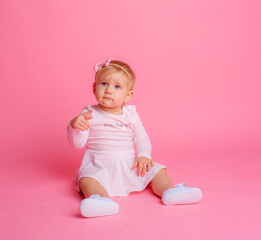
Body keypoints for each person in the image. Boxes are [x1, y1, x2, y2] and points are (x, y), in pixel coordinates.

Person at [67, 58, 202, 218]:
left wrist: (144, 155)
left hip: (128, 163)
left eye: (117, 86)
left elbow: (141, 137)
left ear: (127, 95)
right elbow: (78, 143)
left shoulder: (131, 114)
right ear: (94, 87)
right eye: (104, 84)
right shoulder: (89, 114)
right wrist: (73, 126)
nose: (109, 90)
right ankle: (101, 202)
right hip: (99, 164)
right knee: (86, 180)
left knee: (158, 170)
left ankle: (170, 191)